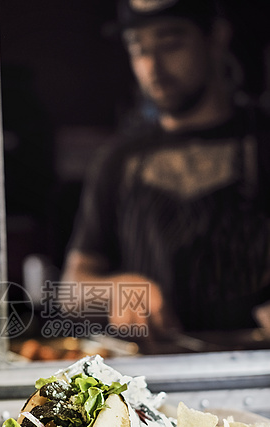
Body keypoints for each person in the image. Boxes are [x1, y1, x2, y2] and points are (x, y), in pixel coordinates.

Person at [61, 0, 270, 337]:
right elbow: (71, 291)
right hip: (150, 375)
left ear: (216, 37)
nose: (152, 66)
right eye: (138, 50)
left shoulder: (261, 144)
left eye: (171, 44)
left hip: (255, 368)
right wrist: (117, 290)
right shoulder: (118, 160)